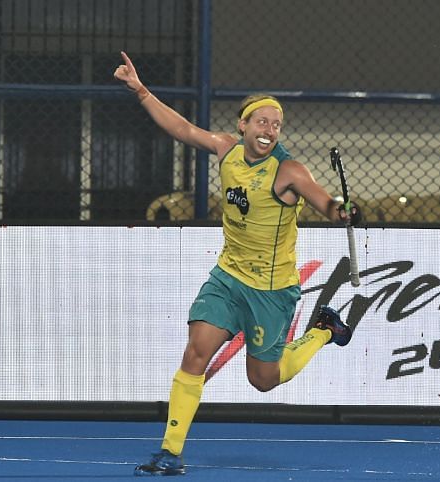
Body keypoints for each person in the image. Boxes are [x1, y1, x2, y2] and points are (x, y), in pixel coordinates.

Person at [114, 51, 361, 477]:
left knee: (263, 380)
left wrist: (343, 211)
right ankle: (170, 454)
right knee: (195, 353)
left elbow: (325, 201)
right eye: (262, 121)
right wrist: (141, 92)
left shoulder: (288, 171)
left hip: (270, 290)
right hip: (228, 278)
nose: (270, 129)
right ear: (242, 126)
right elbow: (182, 128)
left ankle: (323, 331)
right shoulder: (227, 150)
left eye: (276, 124)